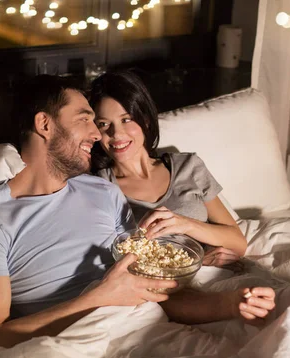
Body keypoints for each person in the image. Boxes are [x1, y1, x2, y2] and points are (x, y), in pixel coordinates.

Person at [0, 75, 273, 352]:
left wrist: (231, 303)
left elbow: (150, 289)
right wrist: (100, 296)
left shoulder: (104, 194)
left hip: (150, 332)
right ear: (44, 125)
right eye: (85, 119)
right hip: (63, 347)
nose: (97, 135)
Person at [90, 70, 275, 325]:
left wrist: (184, 224)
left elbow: (237, 242)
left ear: (144, 117)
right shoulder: (100, 186)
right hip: (168, 294)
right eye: (103, 124)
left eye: (127, 119)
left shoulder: (188, 166)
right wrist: (196, 263)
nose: (116, 134)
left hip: (218, 276)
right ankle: (233, 305)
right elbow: (116, 261)